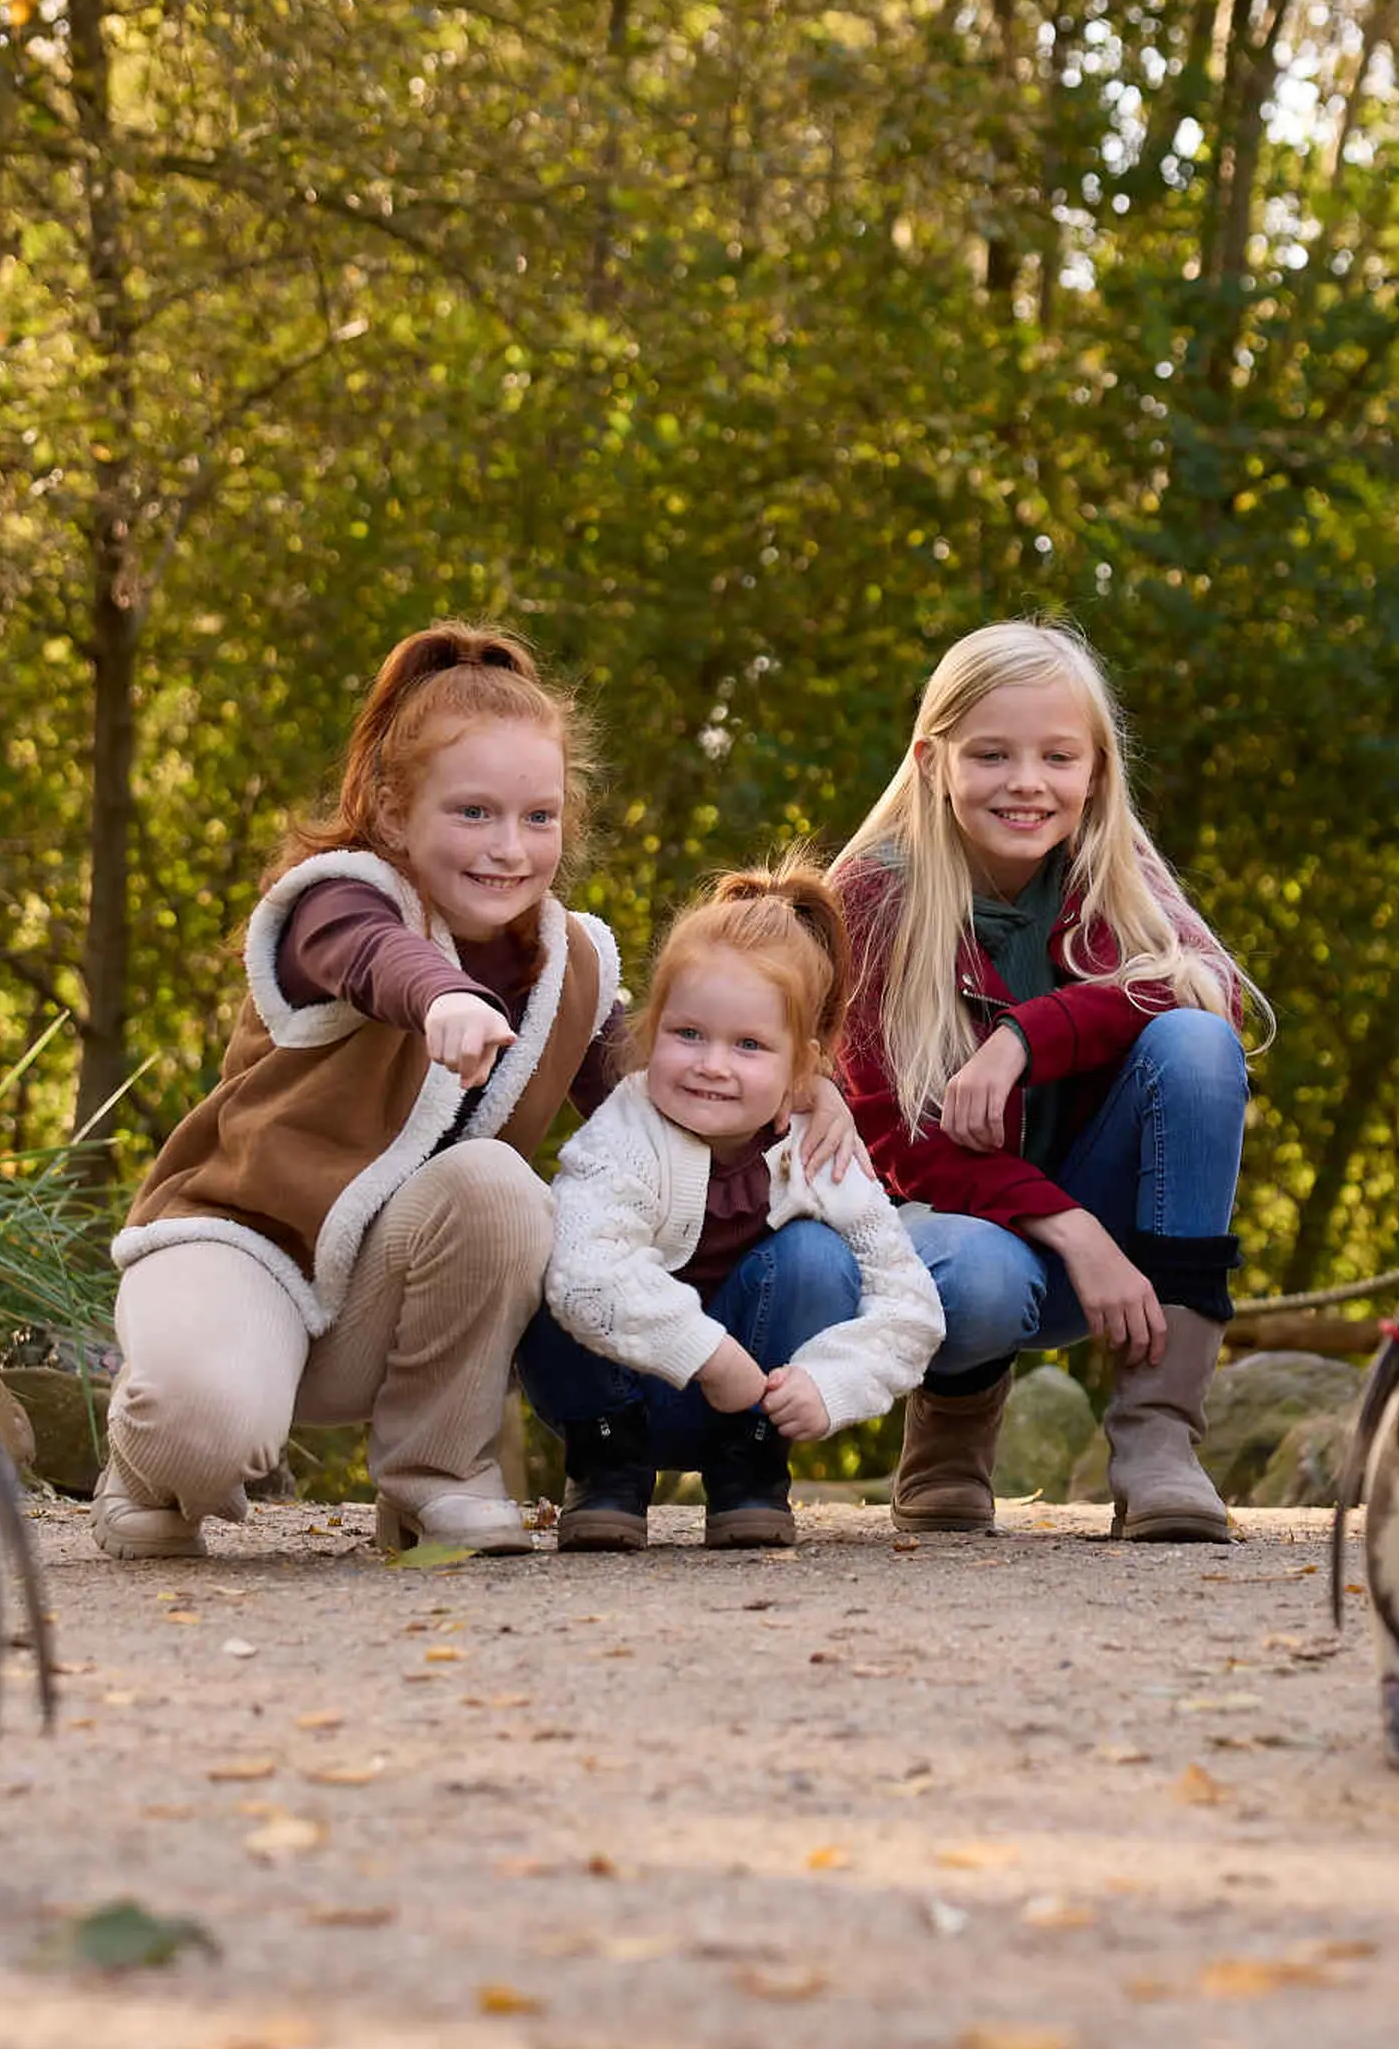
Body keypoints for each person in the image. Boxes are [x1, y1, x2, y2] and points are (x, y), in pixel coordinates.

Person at [95, 621, 622, 1560]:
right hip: (241, 1250)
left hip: (380, 1305)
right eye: (472, 814)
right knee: (201, 1432)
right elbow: (375, 956)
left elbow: (661, 1100)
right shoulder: (334, 898)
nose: (509, 848)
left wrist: (799, 1100)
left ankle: (437, 1473)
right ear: (391, 812)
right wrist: (445, 997)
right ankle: (145, 1467)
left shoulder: (569, 961)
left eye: (537, 818)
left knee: (502, 1185)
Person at [834, 619, 1262, 1543]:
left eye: (1058, 756)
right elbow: (895, 1147)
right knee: (981, 1275)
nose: (1027, 783)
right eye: (991, 754)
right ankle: (949, 1438)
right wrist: (1073, 1232)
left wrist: (1026, 1036)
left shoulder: (1109, 867)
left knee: (1194, 1044)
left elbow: (1213, 992)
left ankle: (1158, 1440)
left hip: (1113, 1258)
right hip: (954, 1253)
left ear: (1096, 770)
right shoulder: (869, 899)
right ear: (932, 759)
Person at [528, 856, 944, 1552]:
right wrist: (712, 1357)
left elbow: (911, 1306)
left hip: (757, 1402)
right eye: (687, 1034)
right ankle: (607, 1473)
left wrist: (831, 1382)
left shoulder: (819, 1150)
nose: (712, 1064)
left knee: (817, 1256)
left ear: (801, 1069)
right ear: (651, 1032)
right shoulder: (627, 1130)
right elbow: (583, 1276)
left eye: (749, 1046)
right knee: (549, 1242)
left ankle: (747, 1470)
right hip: (618, 1391)